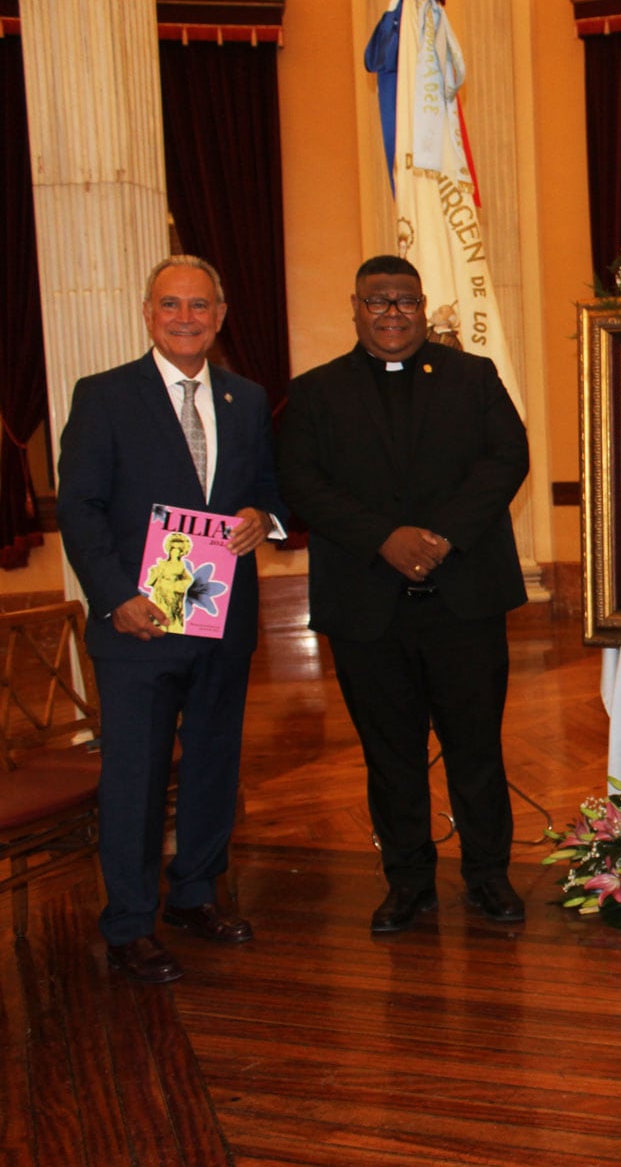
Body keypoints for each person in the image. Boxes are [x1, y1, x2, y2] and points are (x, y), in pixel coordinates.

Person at [278, 255, 529, 934]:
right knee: (389, 756)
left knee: (476, 748)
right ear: (354, 307)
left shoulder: (473, 378)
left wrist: (441, 536)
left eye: (405, 301)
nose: (392, 313)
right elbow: (304, 484)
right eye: (377, 301)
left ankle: (488, 876)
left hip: (463, 601)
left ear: (423, 306)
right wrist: (386, 539)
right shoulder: (316, 392)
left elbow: (508, 456)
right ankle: (409, 882)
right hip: (367, 607)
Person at [57, 255, 285, 984]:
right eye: (170, 305)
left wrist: (261, 517)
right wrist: (116, 595)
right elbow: (79, 507)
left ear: (220, 317)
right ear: (148, 314)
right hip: (139, 623)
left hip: (220, 617)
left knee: (215, 764)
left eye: (199, 306)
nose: (185, 318)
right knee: (137, 775)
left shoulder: (245, 399)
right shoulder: (105, 396)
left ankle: (194, 894)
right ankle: (128, 925)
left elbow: (267, 490)